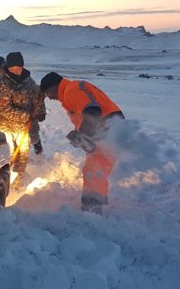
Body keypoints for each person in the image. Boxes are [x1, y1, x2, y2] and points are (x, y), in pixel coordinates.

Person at [39, 71, 123, 213]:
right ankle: (94, 205)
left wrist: (82, 135)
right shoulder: (71, 89)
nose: (49, 97)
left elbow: (92, 111)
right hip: (107, 127)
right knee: (94, 168)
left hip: (108, 127)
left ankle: (92, 207)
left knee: (95, 169)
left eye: (47, 93)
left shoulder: (70, 91)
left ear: (54, 87)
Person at [0, 51, 46, 191]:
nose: (16, 70)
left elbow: (37, 96)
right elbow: (4, 110)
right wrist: (27, 116)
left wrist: (40, 112)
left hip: (23, 127)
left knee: (23, 153)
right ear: (7, 67)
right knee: (9, 152)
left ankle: (16, 183)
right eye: (13, 68)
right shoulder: (0, 84)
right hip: (5, 125)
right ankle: (2, 182)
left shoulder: (28, 80)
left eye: (18, 67)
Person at [0, 55, 44, 154]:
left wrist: (40, 111)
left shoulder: (24, 79)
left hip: (25, 112)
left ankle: (37, 144)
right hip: (7, 118)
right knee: (10, 140)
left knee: (32, 133)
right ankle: (15, 153)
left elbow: (36, 93)